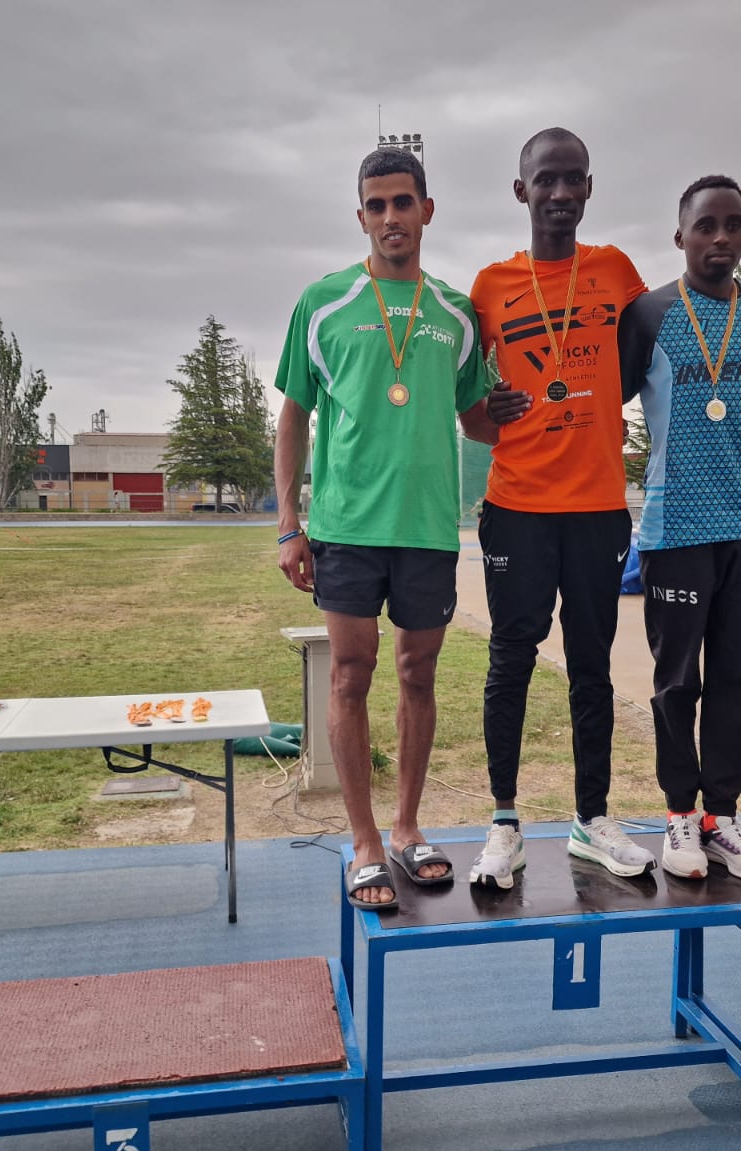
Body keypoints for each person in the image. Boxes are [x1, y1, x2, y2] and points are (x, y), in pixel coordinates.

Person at [274, 146, 497, 910]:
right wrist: (288, 523)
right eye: (376, 205)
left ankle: (406, 828)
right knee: (349, 673)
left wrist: (532, 409)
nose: (390, 218)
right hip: (346, 526)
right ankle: (363, 842)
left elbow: (478, 420)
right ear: (361, 215)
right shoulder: (324, 303)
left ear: (427, 210)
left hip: (430, 528)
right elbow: (294, 417)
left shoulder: (457, 313)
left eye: (403, 202)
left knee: (418, 674)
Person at [464, 128, 654, 888]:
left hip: (598, 506)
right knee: (510, 660)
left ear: (590, 188)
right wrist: (491, 410)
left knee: (592, 667)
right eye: (547, 180)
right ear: (522, 191)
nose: (561, 193)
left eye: (574, 180)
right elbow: (471, 417)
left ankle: (591, 819)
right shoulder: (488, 288)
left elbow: (645, 366)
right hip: (516, 505)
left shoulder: (616, 274)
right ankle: (504, 823)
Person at [617, 174, 741, 881]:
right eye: (706, 226)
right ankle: (678, 819)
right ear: (680, 236)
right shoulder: (649, 314)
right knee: (676, 685)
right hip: (675, 529)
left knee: (738, 679)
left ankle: (722, 816)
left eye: (733, 225)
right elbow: (605, 409)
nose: (720, 238)